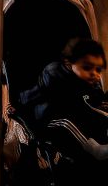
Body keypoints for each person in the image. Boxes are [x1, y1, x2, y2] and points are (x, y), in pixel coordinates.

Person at [18, 38, 108, 179]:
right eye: (87, 67)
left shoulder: (91, 81)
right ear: (68, 63)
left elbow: (94, 101)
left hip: (75, 112)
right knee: (66, 122)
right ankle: (94, 148)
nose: (94, 74)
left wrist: (101, 105)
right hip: (48, 118)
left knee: (99, 116)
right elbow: (69, 104)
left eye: (98, 69)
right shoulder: (54, 72)